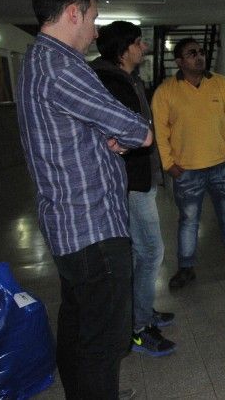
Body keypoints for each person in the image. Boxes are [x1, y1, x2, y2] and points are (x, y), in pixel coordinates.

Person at [16, 0, 153, 398]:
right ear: (73, 12)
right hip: (92, 228)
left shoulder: (38, 59)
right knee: (103, 344)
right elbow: (138, 130)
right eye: (93, 18)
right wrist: (125, 133)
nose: (95, 32)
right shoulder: (61, 66)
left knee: (78, 328)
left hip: (69, 226)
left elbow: (93, 125)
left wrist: (113, 134)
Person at [91, 21, 176, 357]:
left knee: (142, 251)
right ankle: (138, 328)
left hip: (140, 178)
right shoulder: (111, 83)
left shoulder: (128, 79)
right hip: (130, 182)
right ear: (123, 49)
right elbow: (125, 135)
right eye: (138, 42)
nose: (144, 47)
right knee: (151, 251)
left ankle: (141, 310)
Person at [151, 37, 225, 288]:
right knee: (188, 222)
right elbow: (160, 131)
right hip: (186, 170)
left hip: (223, 166)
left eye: (201, 52)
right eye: (192, 53)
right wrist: (168, 164)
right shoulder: (166, 91)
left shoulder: (221, 84)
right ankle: (186, 269)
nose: (199, 56)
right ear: (179, 61)